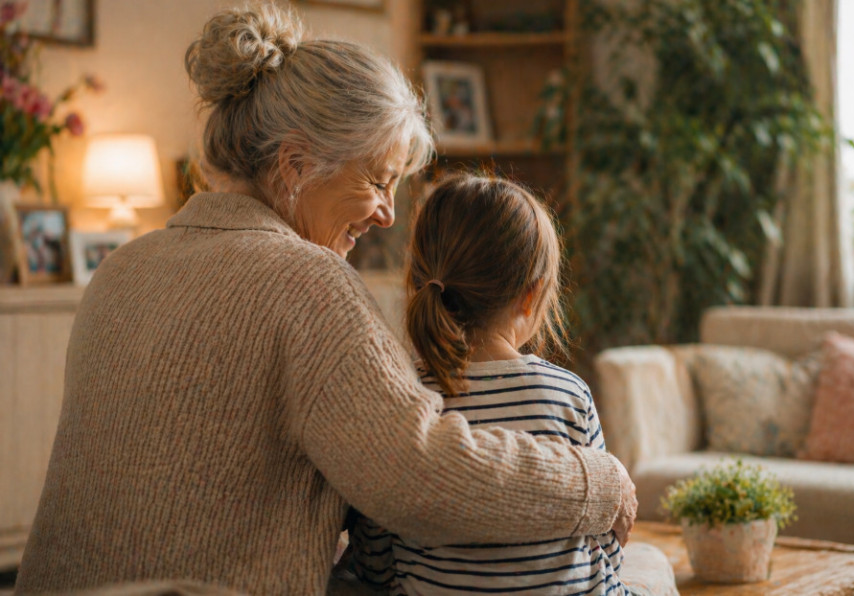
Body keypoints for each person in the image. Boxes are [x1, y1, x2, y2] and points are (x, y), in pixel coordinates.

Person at [14, 5, 637, 596]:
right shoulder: (306, 282)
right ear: (293, 167)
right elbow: (421, 477)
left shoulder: (122, 266)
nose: (389, 215)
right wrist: (598, 480)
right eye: (377, 181)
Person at [350, 175, 663, 595]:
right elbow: (605, 542)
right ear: (531, 296)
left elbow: (375, 557)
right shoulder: (568, 394)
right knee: (653, 566)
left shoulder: (400, 393)